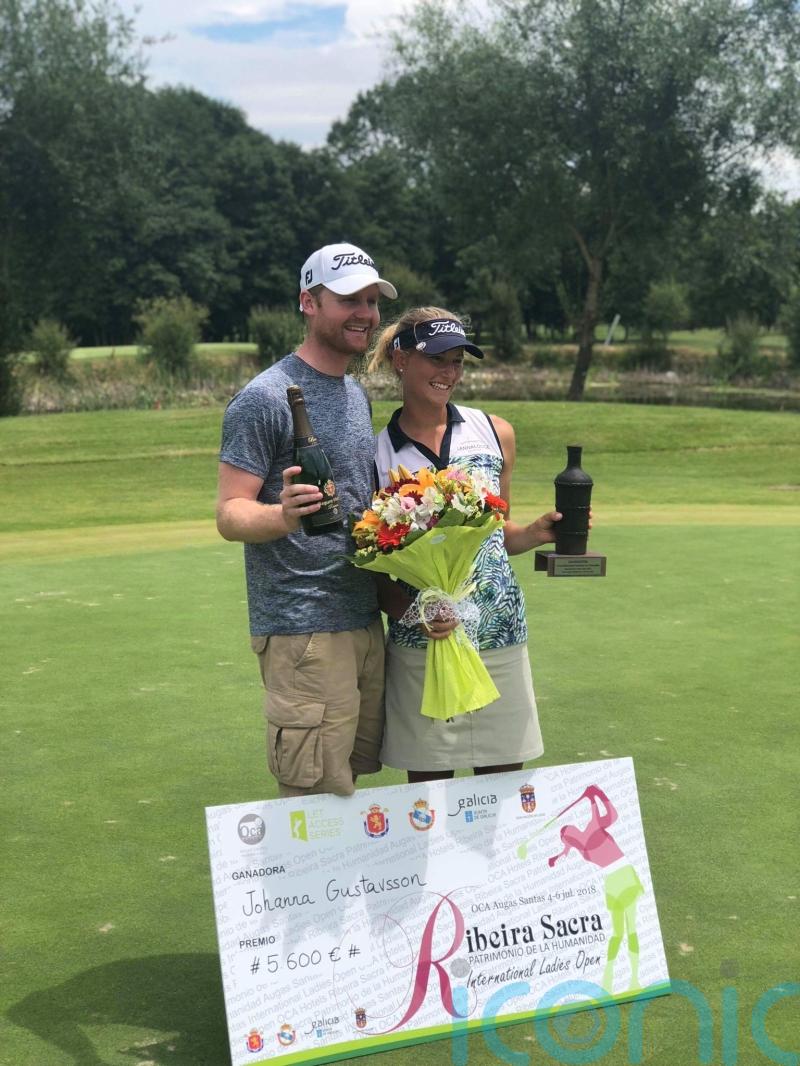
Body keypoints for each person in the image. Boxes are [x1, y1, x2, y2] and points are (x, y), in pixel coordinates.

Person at [216, 242, 397, 798]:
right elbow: (229, 512)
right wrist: (285, 516)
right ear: (308, 302)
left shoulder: (353, 393)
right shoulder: (264, 398)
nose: (365, 313)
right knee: (316, 796)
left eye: (371, 300)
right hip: (304, 630)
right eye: (349, 300)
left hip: (363, 622)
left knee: (355, 780)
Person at [368, 306, 562, 784]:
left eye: (457, 361)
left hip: (500, 636)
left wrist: (535, 533)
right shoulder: (377, 454)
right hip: (422, 648)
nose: (448, 373)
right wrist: (420, 615)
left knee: (503, 797)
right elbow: (374, 570)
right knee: (429, 803)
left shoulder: (496, 433)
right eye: (436, 359)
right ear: (401, 359)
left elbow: (499, 534)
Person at [547, 784, 643, 993]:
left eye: (567, 831)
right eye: (565, 835)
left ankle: (635, 979)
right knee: (618, 933)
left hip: (624, 873)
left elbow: (612, 815)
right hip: (612, 880)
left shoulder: (590, 830)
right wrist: (593, 797)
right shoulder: (581, 845)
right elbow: (566, 849)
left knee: (631, 929)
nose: (567, 833)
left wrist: (598, 795)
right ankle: (608, 980)